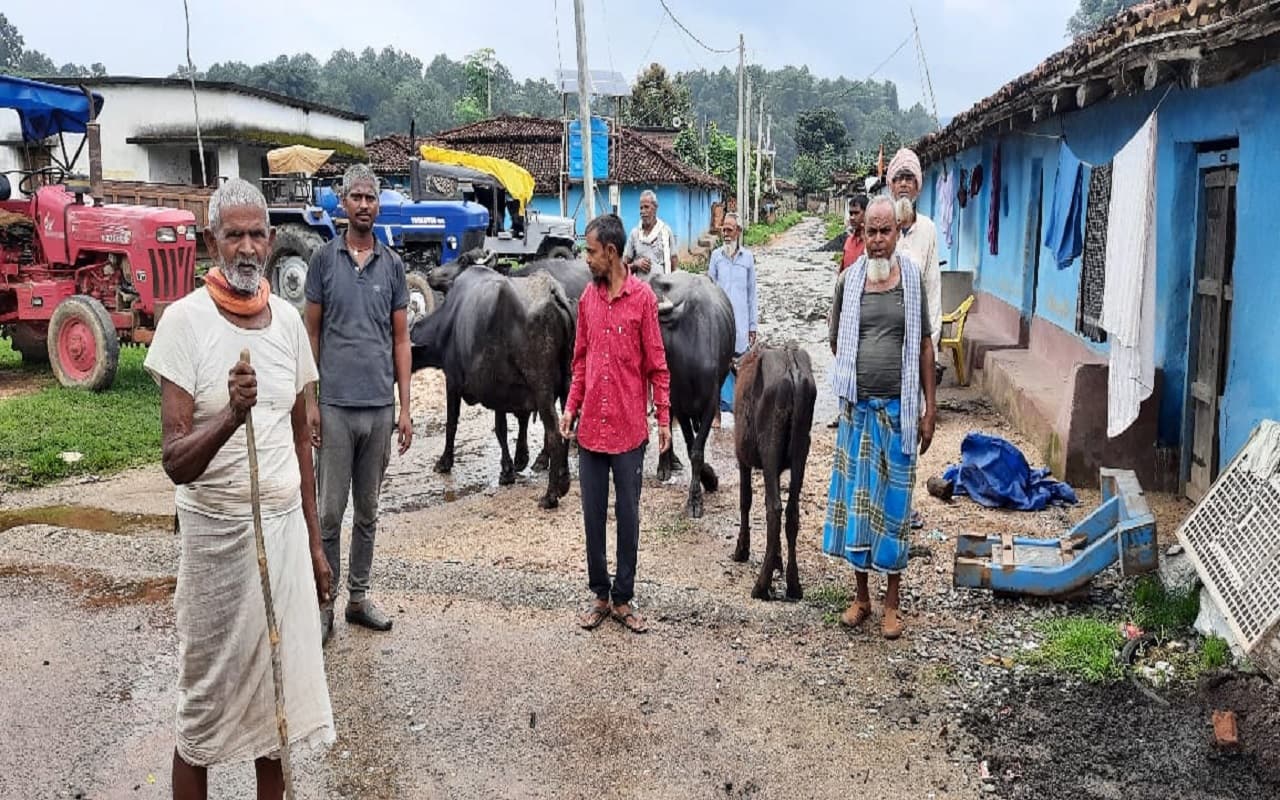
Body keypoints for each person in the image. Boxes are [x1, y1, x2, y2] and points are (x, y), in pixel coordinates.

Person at [145, 179, 335, 798]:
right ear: (211, 241)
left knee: (275, 709)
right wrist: (229, 416)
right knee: (201, 710)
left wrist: (313, 546)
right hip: (215, 544)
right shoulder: (183, 324)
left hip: (282, 539)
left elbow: (302, 446)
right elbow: (175, 460)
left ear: (273, 241)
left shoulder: (285, 324)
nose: (248, 248)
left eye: (258, 234)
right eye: (235, 235)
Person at [304, 164, 413, 643]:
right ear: (342, 202)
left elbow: (401, 340)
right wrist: (309, 400)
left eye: (371, 198)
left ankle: (358, 598)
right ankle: (324, 601)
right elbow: (309, 332)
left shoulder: (392, 265)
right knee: (330, 512)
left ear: (378, 203)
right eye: (356, 198)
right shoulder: (323, 261)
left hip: (379, 407)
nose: (364, 206)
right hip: (334, 406)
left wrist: (405, 407)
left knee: (368, 509)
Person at [823, 196, 937, 640]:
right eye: (869, 232)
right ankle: (861, 598)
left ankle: (892, 603)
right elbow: (836, 343)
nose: (875, 240)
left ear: (897, 234)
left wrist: (930, 408)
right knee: (859, 506)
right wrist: (858, 377)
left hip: (899, 413)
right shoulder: (848, 282)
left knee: (894, 508)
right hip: (858, 416)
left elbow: (925, 345)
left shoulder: (910, 279)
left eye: (884, 231)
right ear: (862, 233)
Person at [560, 213, 672, 635]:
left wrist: (663, 418)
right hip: (590, 431)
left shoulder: (642, 300)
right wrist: (571, 408)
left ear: (610, 252)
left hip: (629, 432)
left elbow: (658, 367)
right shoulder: (587, 301)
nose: (585, 258)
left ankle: (624, 598)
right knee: (593, 516)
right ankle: (600, 595)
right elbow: (581, 362)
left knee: (628, 515)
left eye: (590, 251)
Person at [708, 211, 758, 427]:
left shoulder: (747, 258)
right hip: (719, 322)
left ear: (738, 231)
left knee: (742, 369)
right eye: (723, 230)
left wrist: (752, 325)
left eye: (729, 230)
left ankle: (741, 412)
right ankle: (716, 415)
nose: (726, 234)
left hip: (741, 322)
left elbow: (751, 293)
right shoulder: (716, 257)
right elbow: (709, 288)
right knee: (716, 370)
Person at [888, 148, 941, 351]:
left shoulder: (928, 229)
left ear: (917, 187)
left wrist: (931, 344)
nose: (903, 184)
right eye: (898, 178)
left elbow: (932, 286)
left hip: (916, 332)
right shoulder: (880, 226)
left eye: (909, 178)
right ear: (891, 186)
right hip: (886, 334)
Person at [623, 189, 678, 275]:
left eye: (646, 207)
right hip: (640, 287)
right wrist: (636, 264)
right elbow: (624, 267)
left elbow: (673, 261)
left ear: (655, 208)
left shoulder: (666, 231)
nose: (643, 211)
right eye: (641, 208)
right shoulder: (635, 234)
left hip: (662, 287)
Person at [840, 194, 869, 272]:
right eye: (851, 214)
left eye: (856, 213)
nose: (852, 217)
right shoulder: (849, 242)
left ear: (867, 213)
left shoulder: (872, 243)